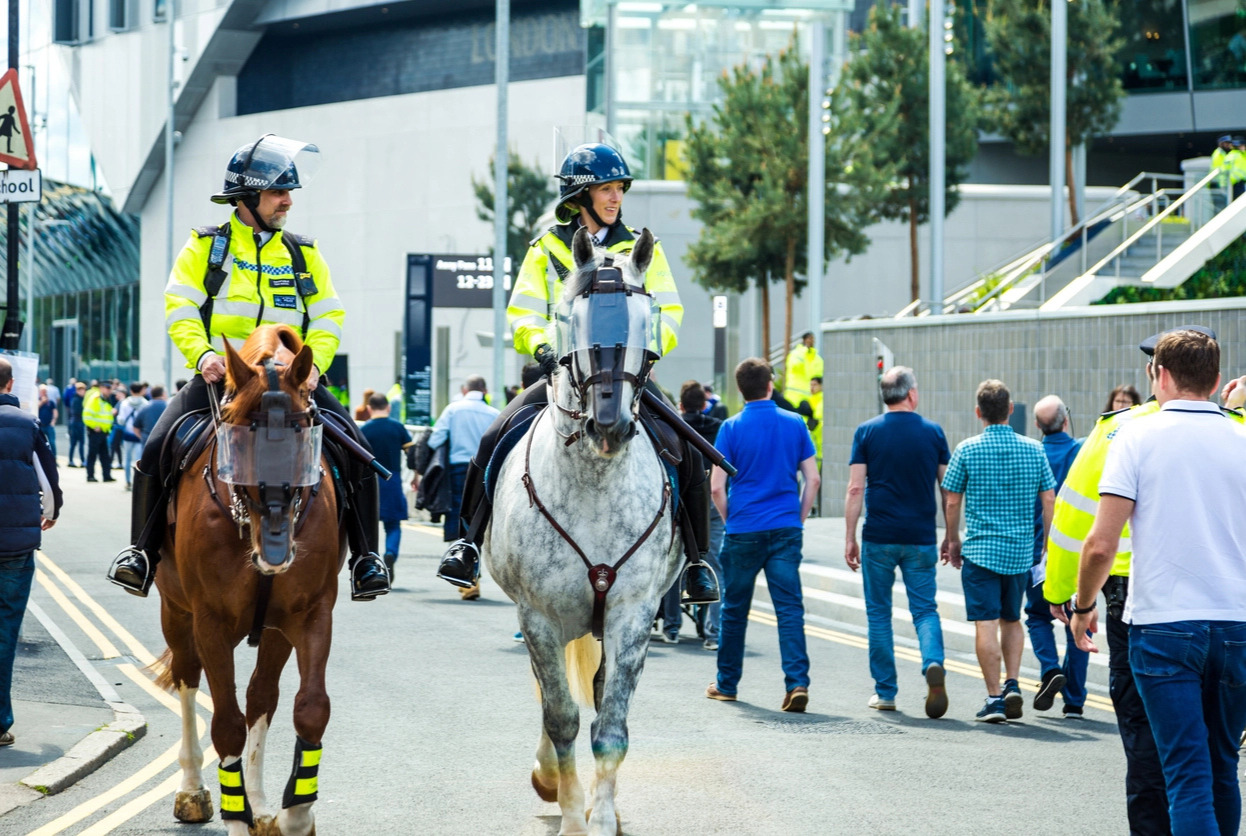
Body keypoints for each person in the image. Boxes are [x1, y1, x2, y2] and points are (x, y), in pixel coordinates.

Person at [106, 134, 389, 601]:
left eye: (289, 192)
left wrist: (312, 363)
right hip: (225, 378)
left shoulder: (303, 253)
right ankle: (140, 552)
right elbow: (179, 306)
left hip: (292, 381)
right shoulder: (205, 247)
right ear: (249, 196)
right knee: (156, 448)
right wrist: (203, 356)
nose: (288, 201)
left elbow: (327, 315)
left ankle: (365, 558)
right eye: (280, 191)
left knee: (357, 450)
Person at [435, 142, 718, 606]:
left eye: (619, 190)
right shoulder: (546, 247)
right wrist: (544, 347)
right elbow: (523, 310)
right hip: (563, 375)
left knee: (685, 446)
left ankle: (697, 560)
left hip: (628, 374)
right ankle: (467, 542)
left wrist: (646, 351)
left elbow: (669, 311)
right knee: (493, 438)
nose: (615, 198)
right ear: (580, 197)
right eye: (605, 189)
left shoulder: (644, 247)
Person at [1071, 329, 1246, 835]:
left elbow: (1100, 544)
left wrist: (1084, 606)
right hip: (1236, 625)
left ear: (1158, 375)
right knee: (1222, 768)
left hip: (1165, 625)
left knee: (1186, 775)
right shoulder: (1240, 437)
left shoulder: (1133, 437)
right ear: (1215, 380)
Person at [705, 358, 819, 711]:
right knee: (789, 609)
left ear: (740, 390)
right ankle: (796, 683)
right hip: (785, 527)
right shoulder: (795, 423)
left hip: (743, 528)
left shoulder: (731, 428)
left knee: (735, 609)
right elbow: (812, 480)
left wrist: (731, 519)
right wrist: (797, 518)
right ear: (770, 384)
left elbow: (716, 489)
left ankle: (727, 684)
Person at [941, 379, 1055, 723]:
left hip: (980, 552)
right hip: (1020, 553)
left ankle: (994, 700)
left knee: (986, 623)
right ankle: (1013, 683)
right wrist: (1047, 545)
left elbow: (951, 500)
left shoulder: (967, 449)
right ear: (1009, 409)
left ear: (979, 412)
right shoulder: (1035, 449)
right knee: (1012, 619)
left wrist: (952, 540)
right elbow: (1049, 498)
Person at [844, 366, 950, 718]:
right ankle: (933, 662)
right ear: (912, 394)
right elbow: (947, 490)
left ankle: (885, 692)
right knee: (924, 609)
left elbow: (856, 488)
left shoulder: (867, 432)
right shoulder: (933, 433)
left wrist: (849, 537)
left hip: (879, 536)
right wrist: (951, 534)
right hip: (920, 538)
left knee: (878, 614)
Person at [0, 357, 62, 746]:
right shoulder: (27, 425)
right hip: (16, 545)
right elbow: (49, 481)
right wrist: (52, 514)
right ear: (11, 385)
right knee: (6, 629)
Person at [1024, 395, 1088, 718]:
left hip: (1039, 552)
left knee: (1037, 616)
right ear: (1066, 420)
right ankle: (1074, 700)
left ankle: (1050, 669)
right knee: (1079, 620)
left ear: (1037, 425)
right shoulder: (1081, 452)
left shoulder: (1032, 454)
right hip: (1078, 552)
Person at [660, 380, 725, 649]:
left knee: (674, 566)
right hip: (711, 502)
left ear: (681, 405)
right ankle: (713, 633)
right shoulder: (719, 428)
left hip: (681, 500)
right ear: (705, 404)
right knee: (712, 565)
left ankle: (672, 627)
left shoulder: (673, 425)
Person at [429, 375, 499, 601]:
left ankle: (465, 576)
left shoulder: (453, 410)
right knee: (479, 522)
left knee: (459, 518)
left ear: (465, 389)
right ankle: (473, 575)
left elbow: (435, 439)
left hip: (458, 468)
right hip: (486, 470)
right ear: (484, 389)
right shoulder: (494, 413)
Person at [360, 392, 413, 583]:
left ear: (369, 409)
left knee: (368, 526)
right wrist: (416, 475)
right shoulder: (397, 428)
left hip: (370, 482)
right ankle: (390, 553)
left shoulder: (365, 430)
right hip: (393, 479)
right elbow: (412, 454)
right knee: (393, 525)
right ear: (388, 407)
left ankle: (372, 564)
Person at [115, 382, 148, 490]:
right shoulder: (145, 403)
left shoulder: (125, 403)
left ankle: (128, 481)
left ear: (131, 390)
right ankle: (137, 483)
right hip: (139, 435)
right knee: (138, 460)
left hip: (128, 434)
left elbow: (121, 420)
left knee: (127, 459)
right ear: (141, 390)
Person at [82, 379, 115, 483]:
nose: (109, 390)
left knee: (105, 455)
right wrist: (94, 426)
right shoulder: (95, 399)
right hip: (96, 432)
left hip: (104, 432)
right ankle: (90, 476)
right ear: (101, 388)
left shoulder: (106, 399)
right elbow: (86, 415)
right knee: (92, 454)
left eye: (110, 388)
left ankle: (107, 476)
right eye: (107, 388)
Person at [783, 332, 823, 411]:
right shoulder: (796, 354)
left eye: (813, 339)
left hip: (811, 398)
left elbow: (820, 375)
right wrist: (804, 352)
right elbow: (794, 366)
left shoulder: (816, 358)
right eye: (809, 339)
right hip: (794, 397)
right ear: (804, 340)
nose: (811, 341)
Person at [66, 380, 85, 467]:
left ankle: (81, 460)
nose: (83, 392)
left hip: (77, 422)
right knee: (75, 443)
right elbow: (77, 411)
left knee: (80, 443)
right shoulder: (76, 399)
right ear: (77, 390)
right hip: (76, 422)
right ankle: (72, 460)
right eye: (81, 390)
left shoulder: (78, 399)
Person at [37, 385, 57, 457]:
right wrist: (42, 402)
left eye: (45, 391)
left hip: (49, 425)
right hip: (40, 425)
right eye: (42, 391)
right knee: (41, 443)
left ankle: (54, 458)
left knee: (52, 442)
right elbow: (35, 409)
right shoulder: (37, 401)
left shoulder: (51, 402)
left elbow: (55, 412)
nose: (44, 393)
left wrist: (53, 421)